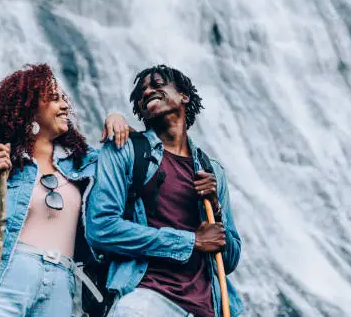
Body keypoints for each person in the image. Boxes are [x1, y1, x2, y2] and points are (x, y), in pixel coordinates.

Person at [0, 63, 132, 316]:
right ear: (30, 109)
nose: (65, 106)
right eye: (54, 99)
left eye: (64, 99)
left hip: (60, 286)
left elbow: (132, 164)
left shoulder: (86, 164)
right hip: (4, 281)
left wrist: (116, 117)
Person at [86, 64, 244, 317]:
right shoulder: (124, 150)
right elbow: (101, 229)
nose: (147, 91)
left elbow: (230, 261)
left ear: (184, 96)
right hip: (146, 302)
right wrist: (191, 241)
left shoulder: (212, 171)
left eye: (157, 84)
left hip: (208, 308)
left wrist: (215, 209)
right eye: (141, 92)